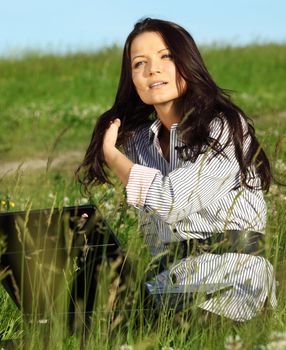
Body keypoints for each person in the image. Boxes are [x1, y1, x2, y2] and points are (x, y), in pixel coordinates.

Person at [76, 18, 276, 322]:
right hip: (165, 285)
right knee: (73, 329)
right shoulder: (139, 143)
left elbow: (171, 201)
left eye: (166, 56)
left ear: (187, 61)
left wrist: (112, 157)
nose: (152, 69)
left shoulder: (224, 126)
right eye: (139, 63)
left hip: (232, 280)